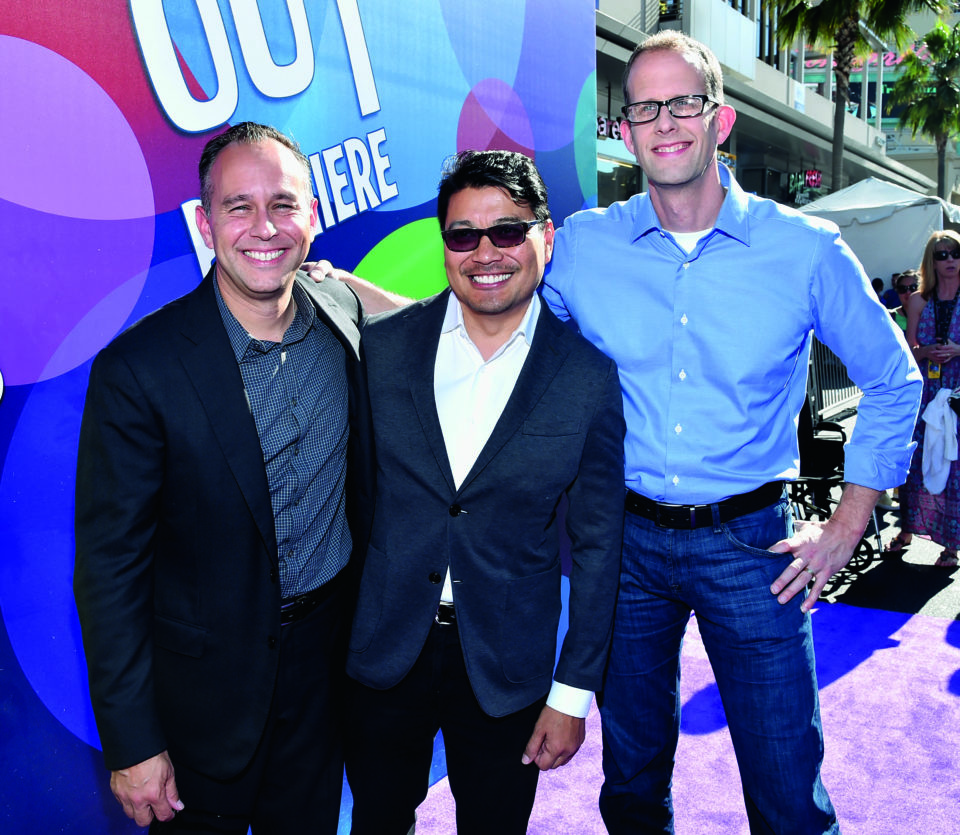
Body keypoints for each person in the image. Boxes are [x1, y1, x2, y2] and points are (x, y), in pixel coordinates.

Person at [539, 31, 922, 834]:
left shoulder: (804, 249)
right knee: (631, 778)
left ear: (721, 119)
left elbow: (894, 378)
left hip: (753, 546)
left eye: (684, 101)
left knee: (786, 784)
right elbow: (506, 340)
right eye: (644, 106)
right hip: (625, 546)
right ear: (626, 128)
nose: (664, 121)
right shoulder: (582, 248)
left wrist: (847, 524)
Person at [73, 122, 372, 833]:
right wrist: (133, 741)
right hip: (200, 704)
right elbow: (109, 570)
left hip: (324, 681)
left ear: (312, 216)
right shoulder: (138, 370)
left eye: (284, 204)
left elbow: (445, 326)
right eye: (240, 207)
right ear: (206, 225)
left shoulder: (345, 316)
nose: (264, 227)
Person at [343, 150, 625, 835]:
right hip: (383, 653)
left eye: (508, 230)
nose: (486, 253)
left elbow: (599, 548)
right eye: (463, 235)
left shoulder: (587, 377)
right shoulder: (382, 348)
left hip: (507, 665)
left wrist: (572, 693)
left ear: (545, 237)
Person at [886, 231, 960, 567]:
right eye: (942, 255)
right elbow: (909, 351)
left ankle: (951, 546)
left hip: (957, 395)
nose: (950, 260)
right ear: (931, 260)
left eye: (955, 253)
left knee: (954, 468)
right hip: (927, 395)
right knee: (915, 466)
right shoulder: (918, 301)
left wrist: (957, 350)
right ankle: (907, 530)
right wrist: (927, 351)